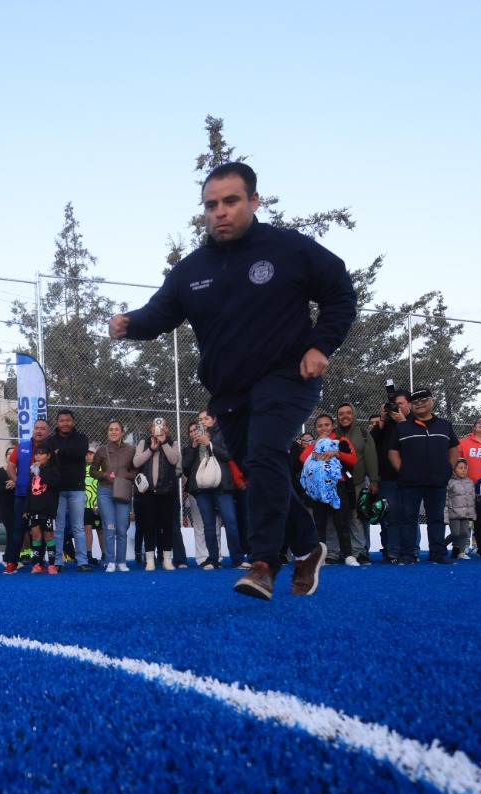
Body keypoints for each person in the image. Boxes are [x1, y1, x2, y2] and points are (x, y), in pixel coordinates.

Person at [110, 161, 356, 599]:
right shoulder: (192, 269)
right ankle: (306, 546)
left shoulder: (289, 249)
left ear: (253, 201)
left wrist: (321, 345)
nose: (219, 212)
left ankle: (263, 562)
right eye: (210, 205)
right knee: (266, 466)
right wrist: (130, 322)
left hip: (287, 375)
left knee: (264, 454)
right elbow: (161, 313)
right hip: (229, 391)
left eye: (230, 201)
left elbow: (340, 291)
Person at [387, 388, 459, 564]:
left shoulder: (445, 425)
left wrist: (448, 469)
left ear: (432, 402)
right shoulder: (402, 427)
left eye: (423, 399)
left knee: (436, 519)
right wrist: (402, 471)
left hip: (437, 481)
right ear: (410, 406)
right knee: (408, 519)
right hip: (410, 482)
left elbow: (454, 449)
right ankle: (407, 555)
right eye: (415, 401)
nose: (419, 403)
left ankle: (438, 554)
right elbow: (392, 452)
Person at [185, 418, 243, 569]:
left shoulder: (223, 435)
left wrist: (208, 443)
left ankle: (237, 559)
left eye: (206, 418)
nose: (203, 422)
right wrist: (194, 445)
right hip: (201, 488)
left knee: (230, 521)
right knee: (208, 524)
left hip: (222, 485)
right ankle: (212, 559)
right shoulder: (192, 444)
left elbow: (227, 455)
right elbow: (186, 467)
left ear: (213, 420)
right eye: (201, 419)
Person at [307, 413, 358, 565]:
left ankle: (348, 555)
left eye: (327, 425)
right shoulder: (314, 443)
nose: (324, 428)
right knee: (320, 523)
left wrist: (336, 453)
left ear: (332, 425)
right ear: (315, 428)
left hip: (337, 486)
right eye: (320, 426)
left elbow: (353, 459)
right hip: (318, 488)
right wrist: (318, 450)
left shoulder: (341, 440)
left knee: (341, 521)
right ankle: (320, 557)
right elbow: (304, 459)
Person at [44, 410, 90, 574]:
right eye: (61, 420)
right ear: (57, 423)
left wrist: (60, 453)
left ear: (73, 422)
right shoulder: (50, 440)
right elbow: (48, 460)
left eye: (68, 420)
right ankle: (57, 561)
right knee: (59, 527)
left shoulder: (82, 439)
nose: (65, 423)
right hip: (57, 489)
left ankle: (82, 561)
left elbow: (80, 452)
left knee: (78, 526)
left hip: (77, 488)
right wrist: (69, 453)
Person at [132, 418, 181, 571]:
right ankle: (150, 560)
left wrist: (164, 442)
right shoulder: (143, 443)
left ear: (166, 429)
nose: (159, 429)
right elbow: (136, 462)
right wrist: (152, 448)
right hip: (148, 492)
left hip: (167, 491)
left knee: (166, 524)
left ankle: (167, 559)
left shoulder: (173, 443)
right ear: (151, 428)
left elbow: (174, 460)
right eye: (155, 426)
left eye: (162, 426)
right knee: (149, 524)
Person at [370, 391, 412, 564]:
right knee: (391, 518)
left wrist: (401, 421)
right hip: (387, 478)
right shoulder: (385, 424)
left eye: (400, 404)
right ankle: (393, 553)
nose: (397, 407)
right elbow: (370, 443)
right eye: (394, 404)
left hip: (409, 479)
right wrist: (382, 419)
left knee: (409, 516)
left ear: (409, 404)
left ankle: (411, 552)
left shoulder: (413, 423)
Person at [90, 419, 135, 572]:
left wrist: (126, 475)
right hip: (105, 492)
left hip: (122, 491)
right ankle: (110, 561)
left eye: (117, 429)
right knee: (109, 527)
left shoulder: (131, 450)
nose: (113, 432)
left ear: (122, 433)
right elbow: (93, 471)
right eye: (111, 430)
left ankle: (122, 562)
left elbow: (137, 471)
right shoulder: (101, 450)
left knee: (122, 528)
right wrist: (104, 475)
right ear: (108, 433)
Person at [335, 402, 377, 564]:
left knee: (357, 518)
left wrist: (374, 481)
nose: (345, 416)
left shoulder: (363, 434)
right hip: (336, 485)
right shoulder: (331, 435)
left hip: (358, 482)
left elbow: (371, 459)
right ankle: (336, 553)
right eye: (341, 414)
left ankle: (359, 552)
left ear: (353, 414)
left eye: (348, 413)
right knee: (336, 519)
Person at [23, 442, 58, 573]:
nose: (38, 456)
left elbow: (53, 483)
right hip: (34, 510)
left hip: (47, 510)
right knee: (36, 537)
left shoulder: (53, 470)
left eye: (41, 454)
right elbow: (29, 491)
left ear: (48, 456)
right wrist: (26, 509)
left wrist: (40, 471)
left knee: (49, 536)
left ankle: (51, 565)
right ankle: (36, 564)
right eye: (36, 454)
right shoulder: (33, 472)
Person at [0, 446, 22, 573]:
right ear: (6, 457)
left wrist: (16, 483)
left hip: (18, 505)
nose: (10, 456)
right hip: (3, 506)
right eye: (8, 454)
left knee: (17, 531)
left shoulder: (21, 473)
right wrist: (6, 487)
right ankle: (8, 558)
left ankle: (13, 557)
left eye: (13, 454)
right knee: (11, 530)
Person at [446, 459, 477, 559]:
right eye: (460, 468)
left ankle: (462, 552)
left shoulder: (469, 481)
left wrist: (473, 513)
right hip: (454, 512)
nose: (463, 470)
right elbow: (446, 498)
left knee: (464, 533)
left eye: (465, 468)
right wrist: (448, 509)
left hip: (466, 513)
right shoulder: (449, 482)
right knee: (455, 533)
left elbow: (472, 498)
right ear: (454, 469)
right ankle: (440, 546)